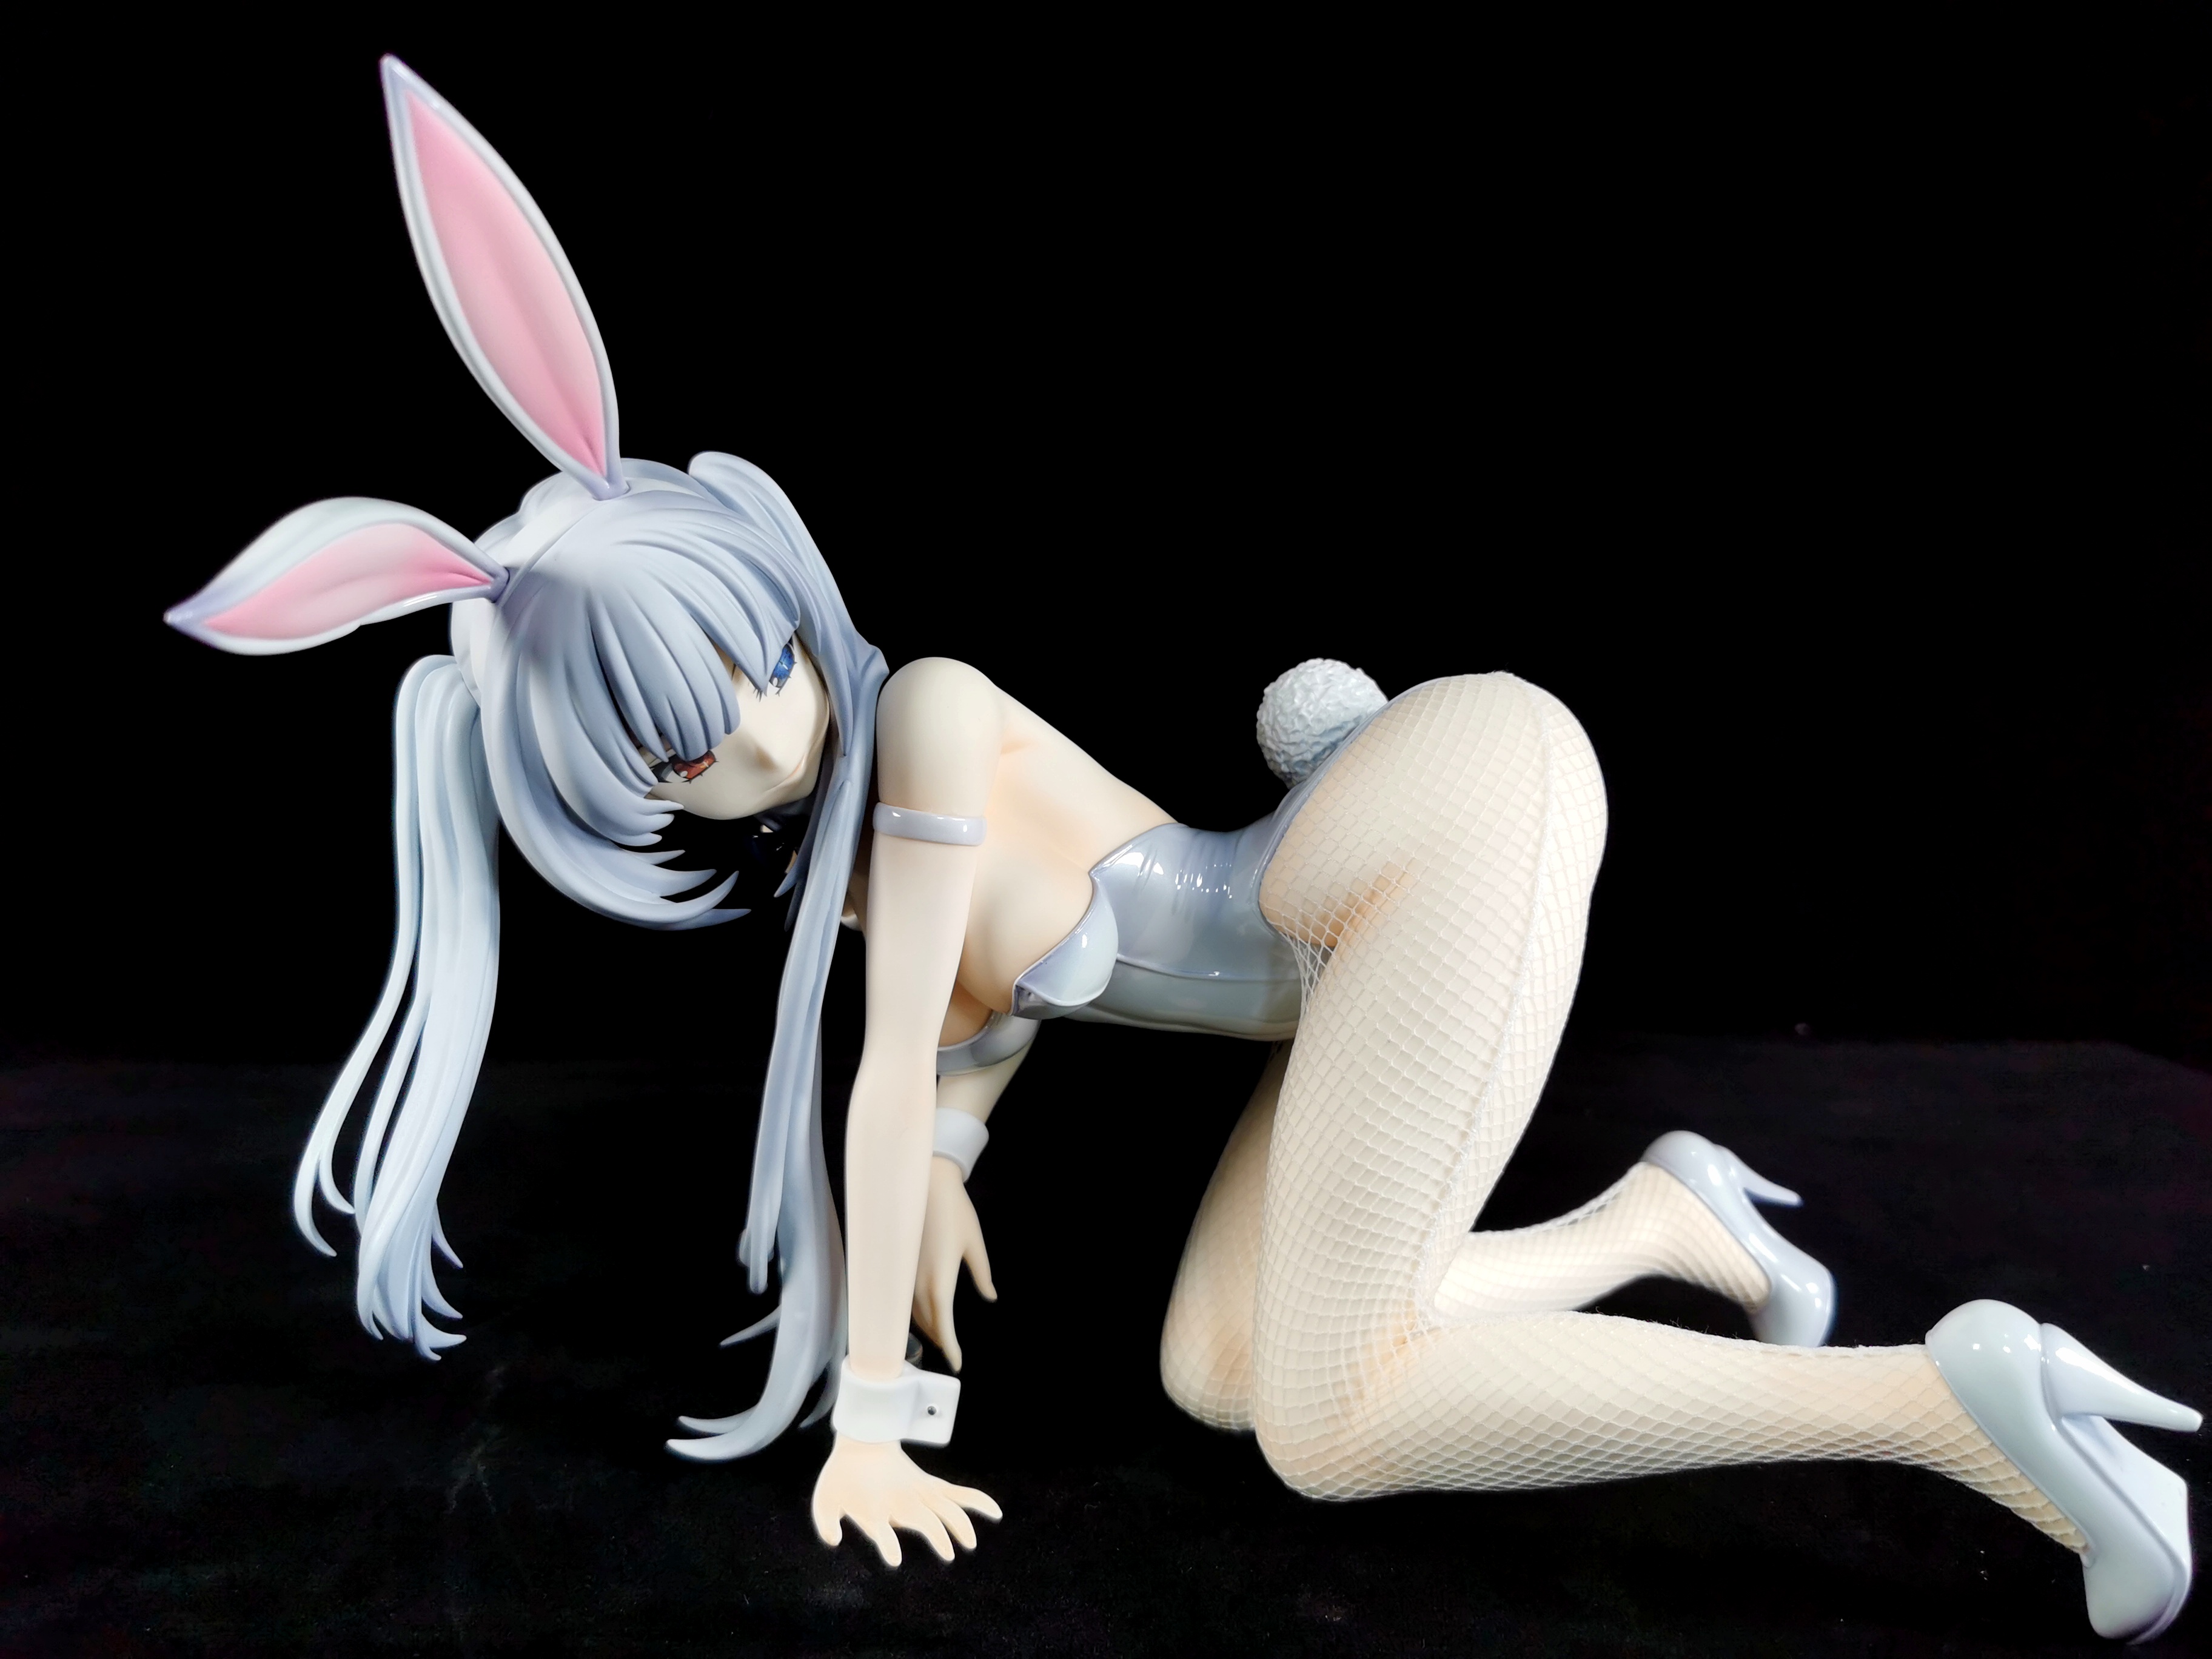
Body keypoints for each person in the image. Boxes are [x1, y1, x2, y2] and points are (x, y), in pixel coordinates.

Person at [163, 57, 2200, 1643]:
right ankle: (1670, 1229)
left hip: (1423, 834)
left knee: (1331, 1425)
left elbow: (897, 1065)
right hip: (1350, 943)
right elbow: (962, 1042)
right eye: (684, 753)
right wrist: (951, 1152)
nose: (767, 733)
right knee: (1222, 1370)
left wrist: (874, 1408)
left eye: (756, 660)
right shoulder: (857, 868)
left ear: (782, 588)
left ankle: (1945, 1409)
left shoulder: (927, 711)